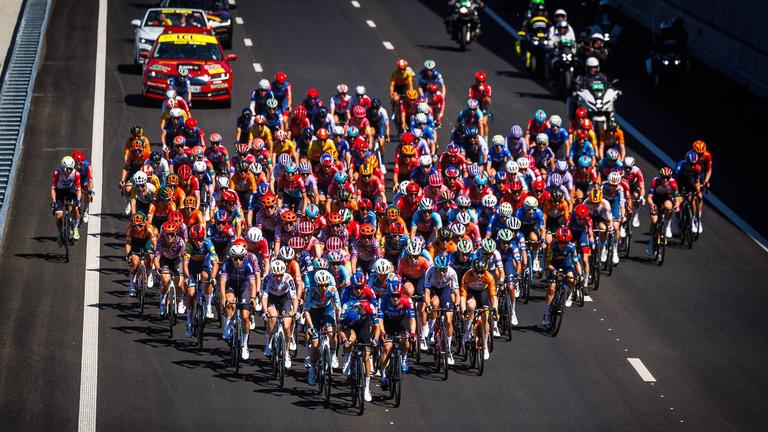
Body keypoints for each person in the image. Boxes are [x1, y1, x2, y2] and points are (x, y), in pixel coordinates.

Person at [219, 243, 259, 360]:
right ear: (231, 258)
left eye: (240, 258)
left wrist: (253, 298)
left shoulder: (248, 266)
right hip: (231, 286)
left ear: (244, 258)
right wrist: (222, 297)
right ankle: (227, 326)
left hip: (244, 288)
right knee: (229, 301)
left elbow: (252, 284)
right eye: (235, 258)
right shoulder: (226, 265)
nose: (238, 261)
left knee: (245, 317)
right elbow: (222, 282)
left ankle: (245, 345)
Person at [378, 276, 416, 390]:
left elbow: (412, 319)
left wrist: (413, 333)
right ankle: (384, 375)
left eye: (397, 296)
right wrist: (383, 332)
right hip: (388, 324)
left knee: (405, 341)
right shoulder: (383, 300)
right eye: (393, 296)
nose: (395, 299)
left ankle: (404, 359)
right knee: (387, 347)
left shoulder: (407, 300)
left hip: (401, 322)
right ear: (389, 295)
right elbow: (379, 319)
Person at [304, 269, 341, 385]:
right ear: (316, 284)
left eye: (326, 285)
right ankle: (312, 368)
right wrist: (310, 327)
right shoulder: (311, 291)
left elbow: (338, 308)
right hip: (314, 313)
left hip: (327, 311)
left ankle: (333, 354)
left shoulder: (333, 290)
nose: (324, 288)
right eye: (321, 286)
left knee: (331, 332)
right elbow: (306, 311)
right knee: (315, 344)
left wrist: (338, 323)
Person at [261, 259, 297, 368]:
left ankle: (286, 354)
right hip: (271, 298)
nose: (278, 278)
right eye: (275, 276)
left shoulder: (288, 278)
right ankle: (268, 344)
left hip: (284, 299)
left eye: (280, 275)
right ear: (272, 273)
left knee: (286, 326)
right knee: (273, 317)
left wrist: (294, 311)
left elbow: (294, 297)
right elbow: (264, 297)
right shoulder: (267, 278)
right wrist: (264, 311)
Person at [543, 227, 583, 325]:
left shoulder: (571, 247)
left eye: (565, 243)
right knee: (552, 289)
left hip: (566, 263)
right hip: (553, 265)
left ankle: (569, 293)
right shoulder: (552, 246)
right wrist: (554, 271)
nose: (562, 245)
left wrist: (580, 275)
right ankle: (547, 313)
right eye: (560, 242)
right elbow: (547, 263)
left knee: (571, 278)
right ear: (557, 240)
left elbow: (576, 262)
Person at [460, 258, 497, 360]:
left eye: (482, 272)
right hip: (471, 293)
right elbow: (463, 296)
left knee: (486, 315)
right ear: (472, 270)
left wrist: (494, 310)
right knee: (471, 306)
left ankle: (484, 346)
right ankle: (467, 331)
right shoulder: (467, 276)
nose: (480, 275)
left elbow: (493, 297)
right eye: (477, 272)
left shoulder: (489, 276)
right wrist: (464, 311)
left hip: (482, 293)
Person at [423, 255, 458, 365]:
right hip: (433, 290)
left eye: (444, 270)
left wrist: (456, 304)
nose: (442, 273)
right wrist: (428, 304)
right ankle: (431, 331)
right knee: (435, 304)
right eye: (440, 270)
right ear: (435, 268)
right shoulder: (430, 272)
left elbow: (456, 291)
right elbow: (427, 292)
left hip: (444, 290)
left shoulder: (452, 272)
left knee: (448, 321)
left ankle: (448, 351)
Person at [646, 167, 680, 256]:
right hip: (656, 199)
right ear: (660, 177)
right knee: (654, 221)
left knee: (668, 207)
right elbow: (649, 197)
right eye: (663, 178)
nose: (665, 180)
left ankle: (668, 226)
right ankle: (650, 242)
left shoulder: (673, 183)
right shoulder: (655, 181)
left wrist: (677, 204)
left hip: (666, 198)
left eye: (667, 178)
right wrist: (652, 204)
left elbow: (676, 198)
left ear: (670, 178)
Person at [51, 156, 83, 244]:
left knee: (76, 208)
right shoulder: (57, 173)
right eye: (66, 169)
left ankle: (76, 228)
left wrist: (79, 200)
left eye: (70, 169)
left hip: (70, 190)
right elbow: (53, 188)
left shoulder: (76, 174)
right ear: (62, 167)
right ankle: (60, 234)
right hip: (60, 191)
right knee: (58, 216)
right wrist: (54, 201)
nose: (69, 171)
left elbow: (79, 189)